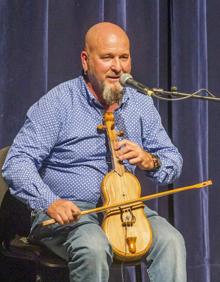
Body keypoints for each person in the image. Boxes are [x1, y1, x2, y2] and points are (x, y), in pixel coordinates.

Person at [2, 22, 186, 282]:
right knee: (93, 245)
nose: (118, 67)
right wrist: (50, 202)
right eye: (107, 58)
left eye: (124, 57)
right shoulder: (58, 102)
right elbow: (16, 163)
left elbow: (172, 159)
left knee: (171, 241)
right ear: (86, 61)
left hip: (125, 210)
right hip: (69, 211)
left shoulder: (140, 103)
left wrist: (149, 160)